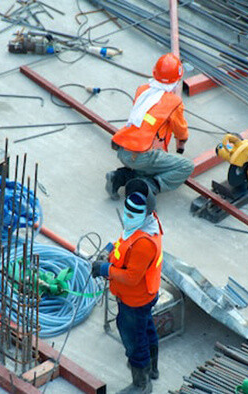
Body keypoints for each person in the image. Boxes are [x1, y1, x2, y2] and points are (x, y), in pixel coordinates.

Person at [92, 179, 163, 394]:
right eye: (127, 212)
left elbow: (132, 277)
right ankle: (152, 369)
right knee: (146, 328)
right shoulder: (145, 225)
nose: (127, 217)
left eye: (133, 215)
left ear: (146, 213)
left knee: (134, 339)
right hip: (145, 296)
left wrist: (105, 269)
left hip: (134, 299)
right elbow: (125, 246)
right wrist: (110, 250)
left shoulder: (144, 243)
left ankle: (141, 383)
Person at [106, 53, 194, 200]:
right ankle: (148, 186)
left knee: (151, 163)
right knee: (186, 166)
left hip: (122, 148)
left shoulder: (143, 89)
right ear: (177, 80)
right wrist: (181, 142)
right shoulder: (174, 102)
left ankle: (119, 177)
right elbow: (180, 130)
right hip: (141, 155)